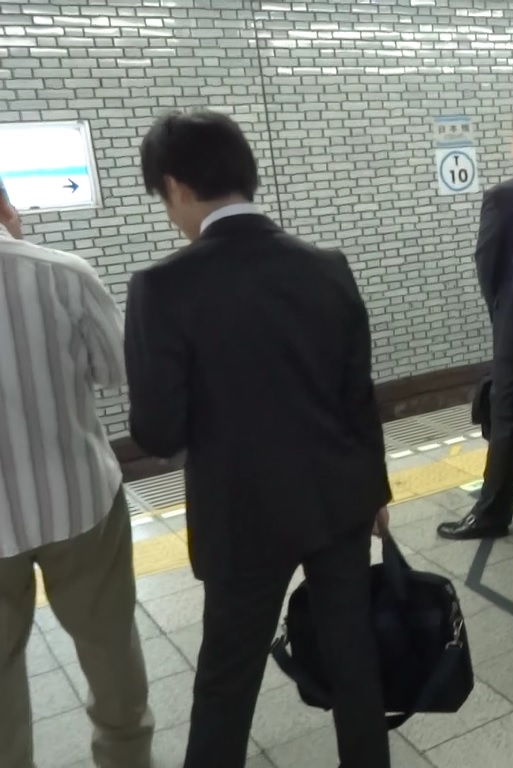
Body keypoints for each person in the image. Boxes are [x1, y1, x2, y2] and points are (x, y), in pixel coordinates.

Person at [124, 110, 391, 768]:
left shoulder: (161, 287)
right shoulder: (326, 266)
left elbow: (156, 430)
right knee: (355, 668)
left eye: (165, 201)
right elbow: (359, 393)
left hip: (242, 517)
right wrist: (375, 492)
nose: (170, 215)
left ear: (176, 186)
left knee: (226, 683)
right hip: (340, 502)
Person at [0, 180, 155, 768]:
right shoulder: (64, 274)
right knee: (110, 649)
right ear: (5, 206)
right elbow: (116, 369)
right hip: (79, 501)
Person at [438, 101, 513, 542]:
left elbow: (487, 266)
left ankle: (491, 513)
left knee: (508, 420)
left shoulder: (505, 196)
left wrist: (504, 316)